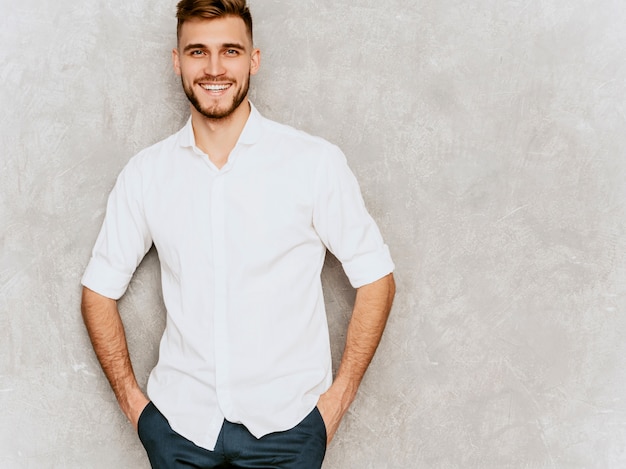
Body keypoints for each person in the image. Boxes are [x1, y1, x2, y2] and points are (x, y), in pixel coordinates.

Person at [80, 0, 395, 467]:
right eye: (197, 52)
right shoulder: (147, 174)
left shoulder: (313, 164)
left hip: (289, 430)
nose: (213, 68)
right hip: (180, 429)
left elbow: (377, 278)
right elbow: (97, 292)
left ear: (254, 59)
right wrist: (138, 410)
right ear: (176, 60)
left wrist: (332, 408)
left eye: (230, 50)